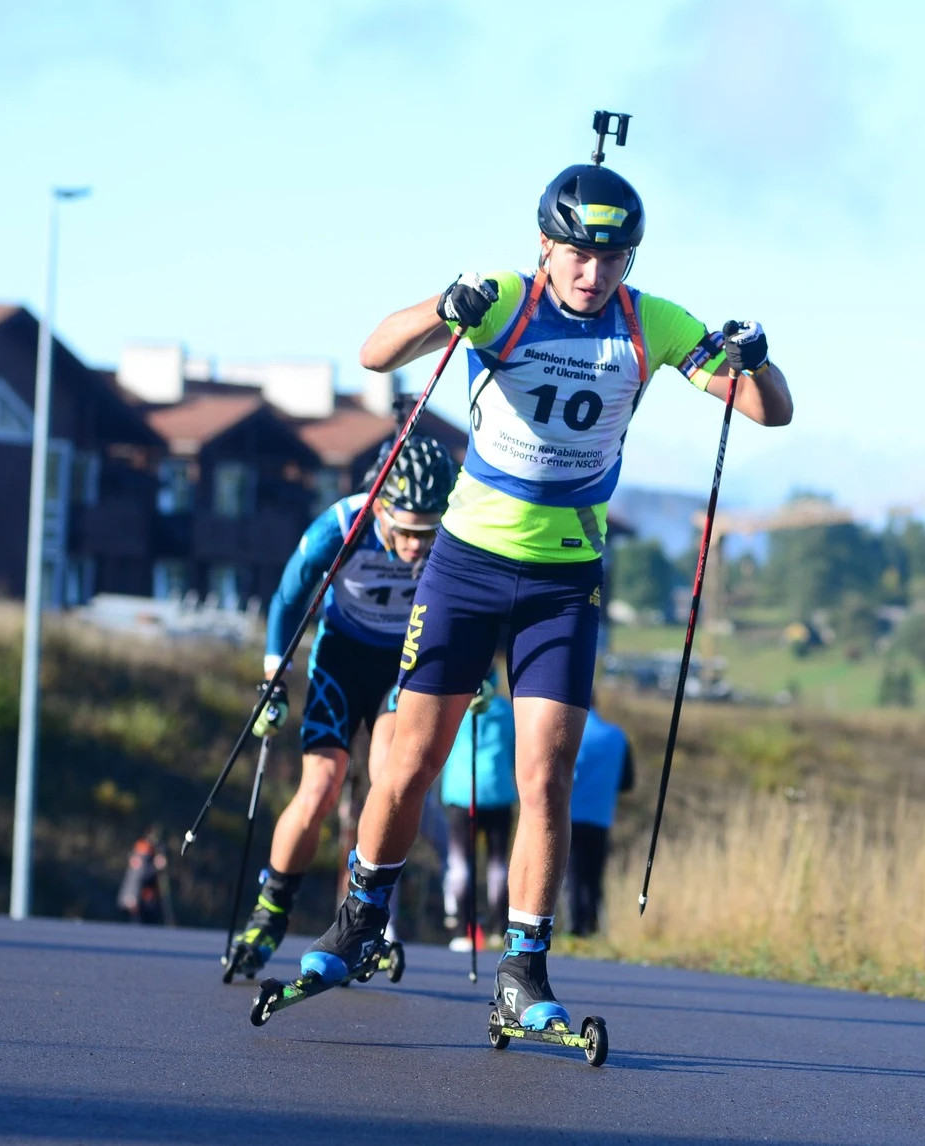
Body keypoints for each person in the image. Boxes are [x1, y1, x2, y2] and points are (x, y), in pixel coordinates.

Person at [299, 153, 792, 1040]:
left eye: (612, 259)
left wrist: (757, 359)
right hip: (465, 566)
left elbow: (767, 409)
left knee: (546, 773)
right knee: (409, 759)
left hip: (563, 581)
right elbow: (375, 353)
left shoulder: (651, 321)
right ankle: (361, 918)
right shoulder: (503, 298)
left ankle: (523, 969)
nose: (593, 274)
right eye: (577, 255)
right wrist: (443, 308)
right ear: (544, 246)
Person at [225, 435, 456, 975]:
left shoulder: (453, 534)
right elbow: (288, 597)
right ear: (380, 508)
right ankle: (268, 914)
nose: (417, 546)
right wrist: (273, 679)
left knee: (392, 780)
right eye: (406, 531)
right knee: (321, 788)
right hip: (341, 658)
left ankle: (366, 918)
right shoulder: (342, 525)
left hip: (404, 663)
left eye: (428, 533)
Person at [440, 671, 517, 950]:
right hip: (498, 792)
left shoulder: (456, 706)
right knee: (498, 864)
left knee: (461, 863)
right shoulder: (507, 711)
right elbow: (515, 749)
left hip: (462, 793)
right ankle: (499, 928)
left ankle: (463, 929)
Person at [567, 704, 635, 937]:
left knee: (572, 875)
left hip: (570, 816)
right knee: (594, 878)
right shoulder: (617, 735)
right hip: (601, 817)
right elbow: (627, 782)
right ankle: (593, 926)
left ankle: (575, 927)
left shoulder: (568, 731)